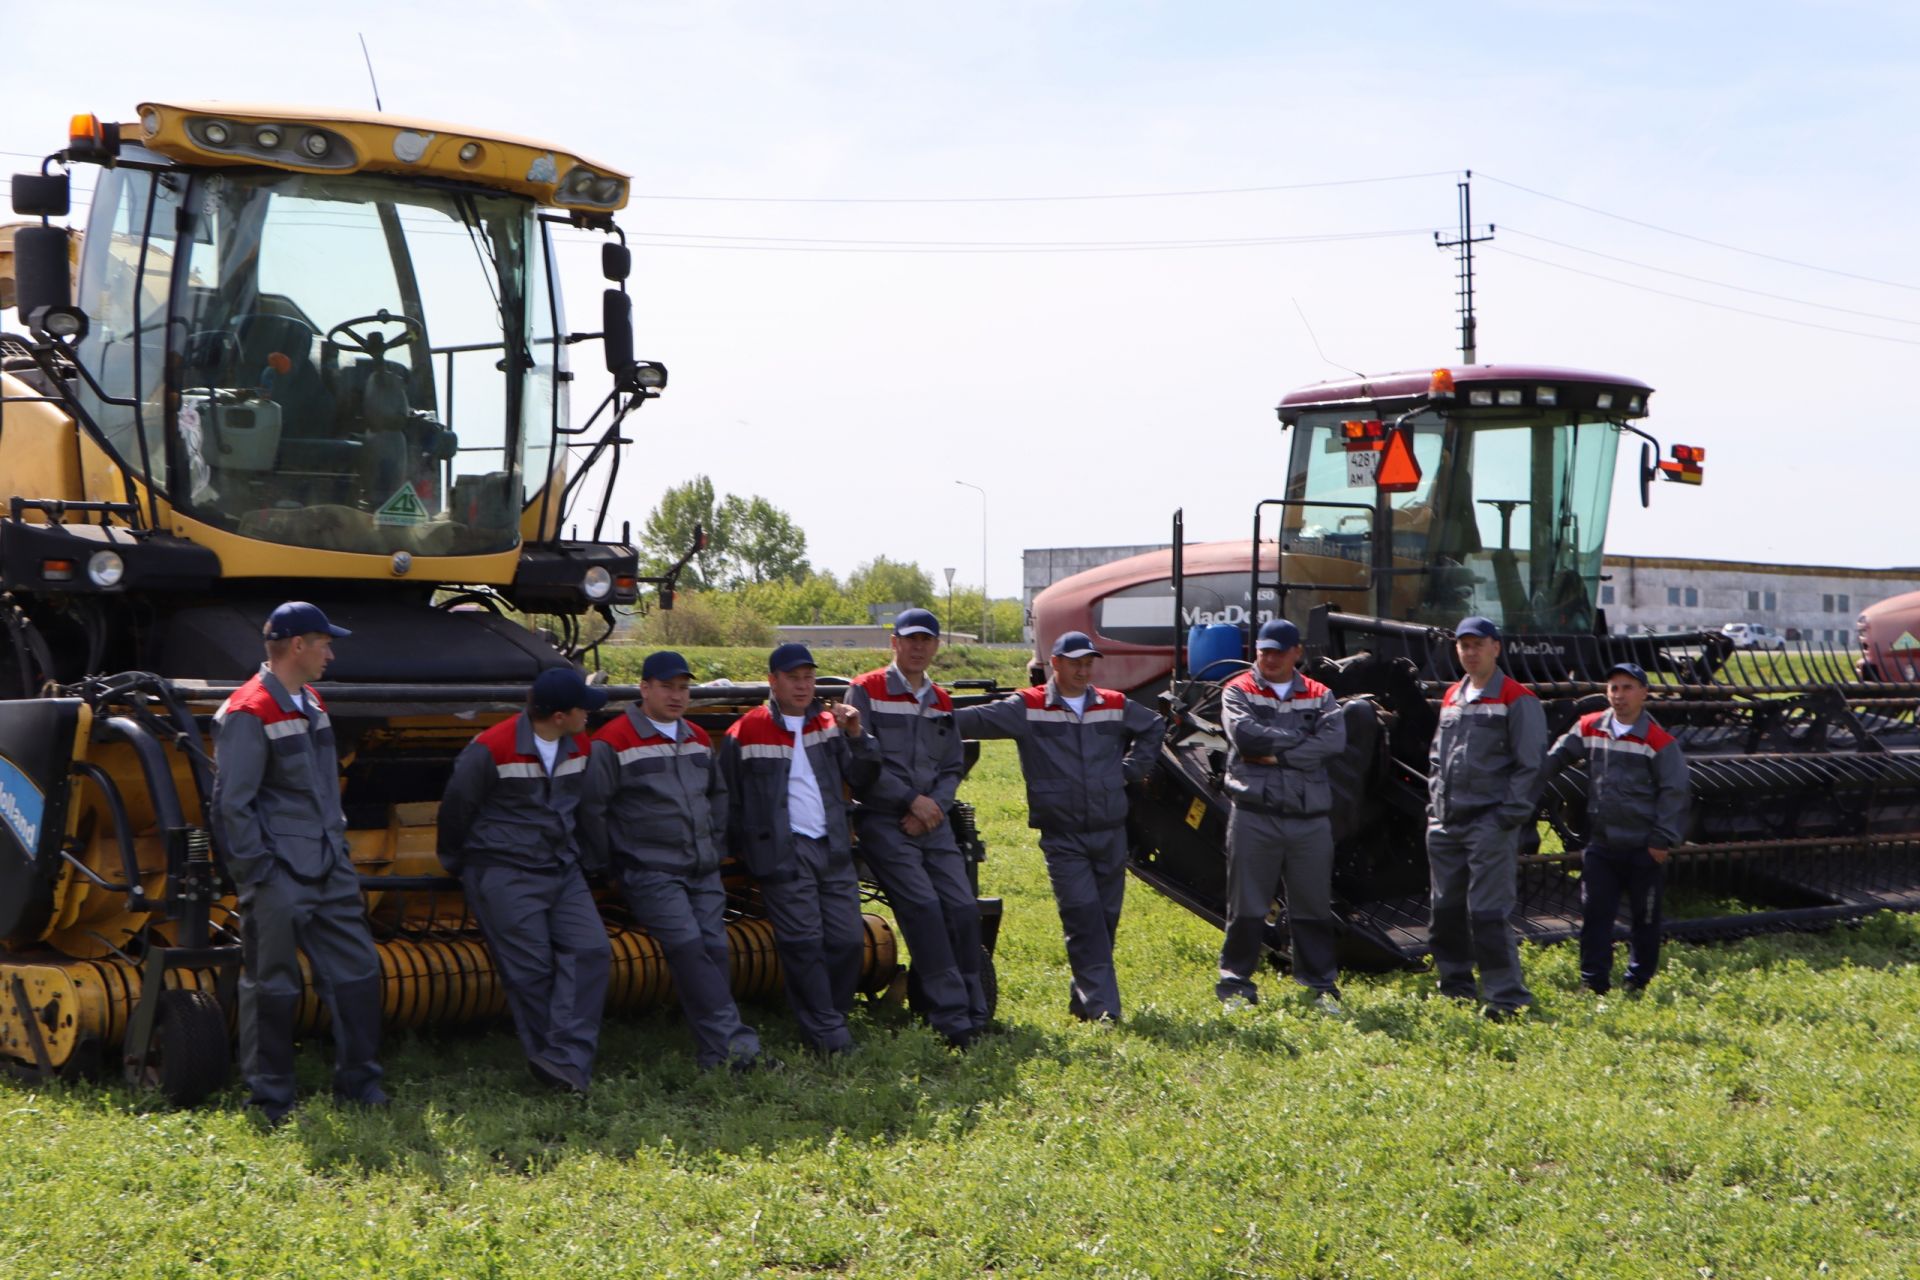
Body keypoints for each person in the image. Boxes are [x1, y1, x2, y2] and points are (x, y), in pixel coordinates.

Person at [210, 601, 386, 1123]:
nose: (331, 652)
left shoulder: (311, 700)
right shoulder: (249, 709)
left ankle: (360, 1085)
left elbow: (324, 789)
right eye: (324, 643)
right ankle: (270, 1100)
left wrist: (339, 854)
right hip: (278, 874)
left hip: (328, 864)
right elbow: (231, 804)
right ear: (297, 646)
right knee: (273, 986)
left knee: (358, 972)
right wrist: (258, 874)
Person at [955, 630, 1166, 1023]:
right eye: (1075, 662)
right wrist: (929, 713)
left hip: (1109, 831)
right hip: (1062, 836)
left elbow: (1154, 725)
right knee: (1083, 917)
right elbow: (972, 721)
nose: (1084, 669)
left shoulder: (1113, 704)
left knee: (1105, 920)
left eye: (1088, 662)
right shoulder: (1029, 706)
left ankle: (1083, 1002)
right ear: (1055, 664)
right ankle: (1106, 1010)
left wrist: (1131, 771)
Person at [579, 650, 768, 1072]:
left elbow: (718, 795)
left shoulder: (698, 737)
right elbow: (593, 809)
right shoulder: (613, 741)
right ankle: (738, 1050)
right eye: (667, 687)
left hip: (702, 868)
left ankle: (715, 1054)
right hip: (650, 871)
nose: (677, 695)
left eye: (683, 688)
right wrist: (608, 865)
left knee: (715, 949)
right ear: (644, 688)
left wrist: (714, 845)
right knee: (687, 946)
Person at [438, 667, 611, 1094]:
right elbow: (457, 808)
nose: (589, 715)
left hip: (561, 867)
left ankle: (562, 1058)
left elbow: (585, 807)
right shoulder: (491, 748)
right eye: (582, 709)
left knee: (591, 950)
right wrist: (461, 864)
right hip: (504, 871)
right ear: (558, 716)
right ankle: (561, 1069)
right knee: (531, 972)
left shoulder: (579, 745)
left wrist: (593, 859)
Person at [716, 643, 880, 1057]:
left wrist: (858, 734)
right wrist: (746, 852)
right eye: (794, 678)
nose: (803, 685)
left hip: (834, 848)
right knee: (804, 943)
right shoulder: (746, 731)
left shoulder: (829, 723)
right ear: (773, 681)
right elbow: (727, 797)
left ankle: (830, 1015)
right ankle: (826, 1033)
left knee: (845, 941)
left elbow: (862, 775)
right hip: (784, 852)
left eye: (809, 677)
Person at [846, 608, 987, 1049]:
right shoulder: (866, 690)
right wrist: (910, 800)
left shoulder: (941, 699)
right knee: (924, 909)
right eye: (910, 639)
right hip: (884, 820)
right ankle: (952, 1020)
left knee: (963, 910)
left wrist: (933, 806)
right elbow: (860, 763)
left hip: (933, 821)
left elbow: (951, 765)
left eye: (927, 640)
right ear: (894, 643)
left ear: (936, 645)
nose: (918, 647)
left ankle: (977, 1011)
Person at [1215, 618, 1349, 1013]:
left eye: (1277, 651)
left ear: (1297, 653)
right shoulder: (1238, 689)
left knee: (1312, 907)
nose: (1269, 658)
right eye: (1263, 651)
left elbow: (1334, 741)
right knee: (1247, 907)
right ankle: (1236, 986)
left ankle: (1320, 988)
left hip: (1309, 819)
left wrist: (1275, 754)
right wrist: (1301, 743)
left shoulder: (1321, 694)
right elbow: (1244, 737)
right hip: (1255, 814)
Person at [1427, 616, 1548, 1019]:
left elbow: (1530, 767)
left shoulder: (1518, 699)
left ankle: (1506, 998)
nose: (1470, 651)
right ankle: (1455, 986)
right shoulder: (1451, 697)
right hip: (1447, 824)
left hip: (1489, 824)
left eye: (1477, 644)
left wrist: (1505, 819)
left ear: (1496, 647)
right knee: (1444, 912)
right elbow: (1435, 759)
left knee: (1487, 914)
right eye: (1463, 645)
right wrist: (1434, 812)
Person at [1544, 661, 1689, 995]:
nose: (1619, 695)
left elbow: (1675, 791)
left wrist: (1661, 838)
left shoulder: (1658, 741)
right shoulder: (1589, 727)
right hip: (1602, 844)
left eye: (1627, 688)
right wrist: (1531, 779)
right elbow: (1559, 755)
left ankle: (1637, 982)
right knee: (1595, 915)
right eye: (1613, 688)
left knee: (1645, 918)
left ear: (1643, 693)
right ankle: (1593, 982)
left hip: (1644, 847)